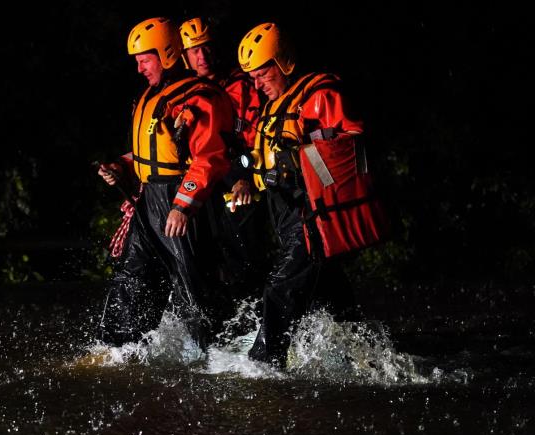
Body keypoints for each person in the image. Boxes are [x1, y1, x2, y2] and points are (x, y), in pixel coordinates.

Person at [234, 22, 384, 366]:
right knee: (333, 301)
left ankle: (261, 366)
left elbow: (352, 147)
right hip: (285, 213)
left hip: (314, 214)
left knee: (280, 288)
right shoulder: (273, 105)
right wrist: (246, 180)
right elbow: (265, 160)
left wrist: (301, 157)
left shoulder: (320, 96)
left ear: (283, 61)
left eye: (262, 74)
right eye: (252, 78)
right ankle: (374, 363)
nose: (256, 84)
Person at [97, 17, 234, 349]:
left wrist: (183, 204)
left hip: (183, 202)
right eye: (137, 62)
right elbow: (149, 156)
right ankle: (117, 348)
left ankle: (218, 357)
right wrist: (120, 166)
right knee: (133, 275)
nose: (140, 69)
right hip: (150, 201)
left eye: (145, 60)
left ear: (167, 53)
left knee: (193, 288)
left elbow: (208, 157)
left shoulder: (200, 97)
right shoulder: (148, 98)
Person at [179, 17, 267, 298]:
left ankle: (258, 321)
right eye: (195, 51)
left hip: (236, 175)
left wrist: (245, 179)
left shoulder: (240, 86)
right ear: (184, 56)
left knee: (245, 257)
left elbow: (255, 137)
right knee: (204, 261)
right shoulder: (182, 93)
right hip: (201, 183)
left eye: (206, 48)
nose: (202, 56)